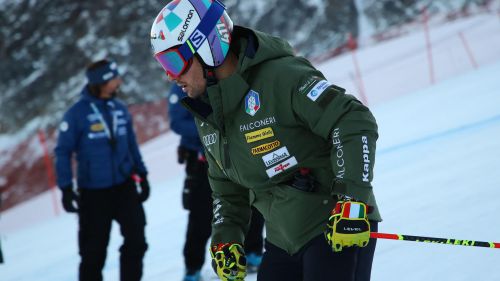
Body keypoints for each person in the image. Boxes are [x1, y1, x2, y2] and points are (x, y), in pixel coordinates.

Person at [150, 1, 381, 280]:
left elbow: (352, 120)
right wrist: (227, 236)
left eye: (173, 61)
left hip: (334, 226)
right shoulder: (209, 110)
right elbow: (225, 185)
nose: (170, 75)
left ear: (206, 45)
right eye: (163, 64)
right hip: (282, 240)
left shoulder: (281, 77)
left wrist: (352, 199)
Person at [54, 59, 150, 281]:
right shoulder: (76, 114)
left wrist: (142, 175)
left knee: (137, 241)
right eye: (114, 78)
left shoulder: (119, 108)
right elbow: (62, 152)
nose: (119, 81)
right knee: (93, 253)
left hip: (124, 187)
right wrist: (66, 188)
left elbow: (131, 144)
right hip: (94, 194)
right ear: (102, 82)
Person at [167, 84, 265, 281]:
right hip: (202, 162)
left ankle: (253, 252)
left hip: (236, 156)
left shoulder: (219, 77)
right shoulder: (182, 85)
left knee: (252, 204)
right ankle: (192, 268)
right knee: (201, 217)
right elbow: (177, 123)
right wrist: (212, 125)